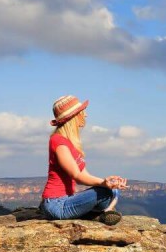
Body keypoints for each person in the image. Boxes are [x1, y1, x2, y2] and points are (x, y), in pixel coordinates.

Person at [40, 95, 127, 225]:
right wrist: (104, 183)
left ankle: (99, 213)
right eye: (82, 112)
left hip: (66, 200)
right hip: (57, 205)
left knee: (113, 191)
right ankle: (103, 213)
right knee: (105, 192)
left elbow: (85, 175)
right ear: (74, 116)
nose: (85, 115)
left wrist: (110, 182)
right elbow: (77, 176)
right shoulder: (58, 141)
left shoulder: (69, 142)